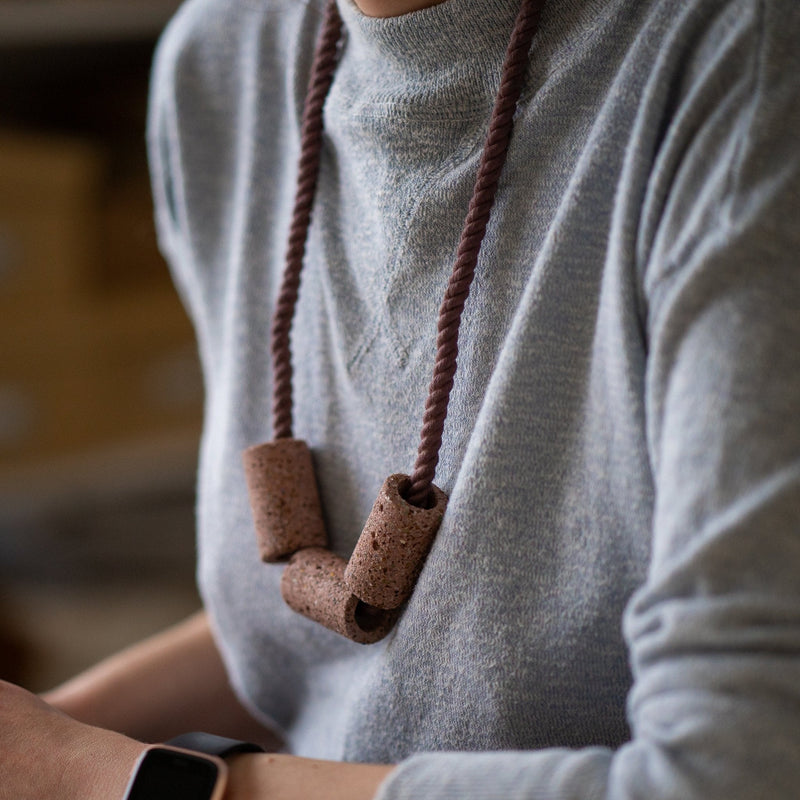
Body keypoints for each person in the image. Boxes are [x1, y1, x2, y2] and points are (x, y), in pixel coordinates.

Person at [2, 0, 799, 797]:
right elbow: (348, 649)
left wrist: (110, 779)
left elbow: (729, 775)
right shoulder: (224, 59)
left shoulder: (745, 64)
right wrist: (45, 738)